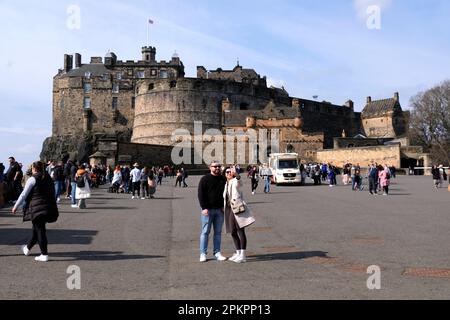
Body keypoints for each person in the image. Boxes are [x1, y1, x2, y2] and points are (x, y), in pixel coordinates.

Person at [11, 161, 59, 262]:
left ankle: (44, 254)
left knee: (40, 230)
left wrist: (15, 206)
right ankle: (27, 249)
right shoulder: (48, 177)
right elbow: (53, 192)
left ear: (34, 169)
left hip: (37, 208)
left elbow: (24, 194)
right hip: (48, 206)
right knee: (36, 230)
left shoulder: (33, 179)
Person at [224, 166, 255, 263]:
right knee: (233, 231)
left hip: (238, 208)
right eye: (227, 172)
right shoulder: (226, 184)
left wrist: (236, 174)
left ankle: (243, 255)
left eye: (230, 172)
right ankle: (238, 252)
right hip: (230, 209)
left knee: (240, 230)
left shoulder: (234, 181)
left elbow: (240, 182)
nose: (229, 173)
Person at [197, 161, 227, 262]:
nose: (217, 168)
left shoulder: (223, 179)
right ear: (210, 168)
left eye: (219, 166)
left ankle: (217, 252)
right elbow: (201, 194)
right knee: (205, 232)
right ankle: (203, 253)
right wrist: (204, 207)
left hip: (220, 210)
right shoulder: (205, 179)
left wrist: (224, 206)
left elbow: (226, 193)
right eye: (215, 166)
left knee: (218, 233)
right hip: (208, 210)